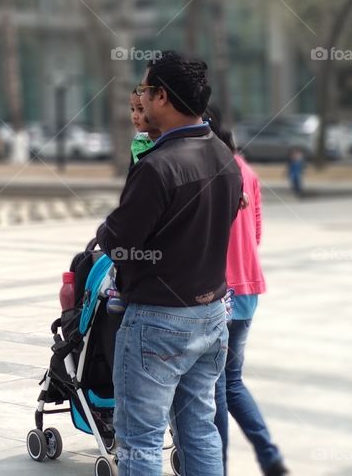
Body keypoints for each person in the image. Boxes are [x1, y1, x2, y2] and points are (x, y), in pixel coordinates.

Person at [96, 52, 242, 476]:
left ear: (161, 96)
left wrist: (106, 230)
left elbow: (119, 243)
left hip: (159, 320)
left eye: (143, 90)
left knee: (140, 441)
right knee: (199, 429)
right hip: (213, 311)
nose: (140, 98)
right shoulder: (224, 155)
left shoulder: (159, 166)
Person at [206, 106, 288, 476]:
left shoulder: (208, 170)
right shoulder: (246, 170)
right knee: (232, 382)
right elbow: (256, 233)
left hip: (219, 292)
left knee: (217, 388)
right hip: (249, 289)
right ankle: (270, 456)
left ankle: (216, 467)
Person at [129, 90, 161, 168]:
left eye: (141, 109)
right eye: (132, 109)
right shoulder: (138, 141)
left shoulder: (170, 140)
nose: (134, 116)